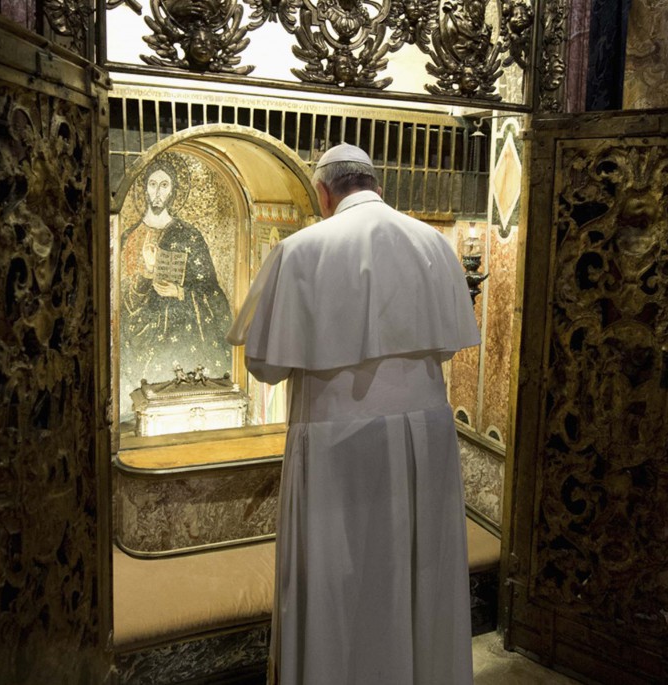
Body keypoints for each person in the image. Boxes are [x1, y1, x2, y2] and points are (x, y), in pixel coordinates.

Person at [227, 144, 480, 685]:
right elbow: (446, 346)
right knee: (418, 575)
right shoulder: (433, 243)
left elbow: (265, 366)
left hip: (336, 447)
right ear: (375, 182)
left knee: (340, 583)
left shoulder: (300, 250)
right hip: (426, 440)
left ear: (323, 192)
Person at [119, 156, 232, 419]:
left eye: (164, 185)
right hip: (143, 339)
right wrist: (147, 273)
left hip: (183, 334)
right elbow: (124, 302)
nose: (157, 193)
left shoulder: (189, 235)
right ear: (143, 188)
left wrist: (181, 292)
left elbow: (214, 294)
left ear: (173, 191)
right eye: (152, 184)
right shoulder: (130, 236)